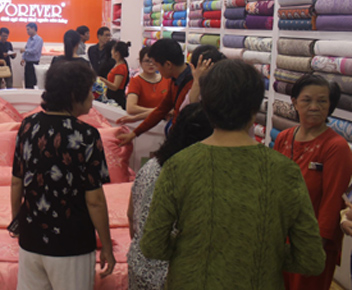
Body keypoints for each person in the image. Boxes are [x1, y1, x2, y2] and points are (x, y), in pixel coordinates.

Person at [141, 59, 326, 288]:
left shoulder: (178, 166)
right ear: (255, 108)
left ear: (206, 106)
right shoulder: (285, 171)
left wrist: (196, 250)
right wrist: (262, 253)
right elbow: (311, 259)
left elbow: (152, 245)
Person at [11, 60, 115, 289]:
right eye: (89, 91)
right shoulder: (87, 135)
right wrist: (107, 246)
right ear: (74, 95)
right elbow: (95, 200)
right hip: (71, 243)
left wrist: (18, 223)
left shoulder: (27, 126)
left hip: (31, 238)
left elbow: (16, 182)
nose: (93, 97)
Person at [274, 74, 352, 290]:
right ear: (294, 102)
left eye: (322, 101)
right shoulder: (284, 137)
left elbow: (332, 200)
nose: (315, 107)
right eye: (307, 100)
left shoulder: (336, 147)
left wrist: (315, 245)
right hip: (281, 235)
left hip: (312, 241)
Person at [127, 102, 213, 290]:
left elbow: (132, 216)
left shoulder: (151, 166)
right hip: (170, 276)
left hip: (138, 266)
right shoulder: (193, 176)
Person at [117, 39, 193, 145]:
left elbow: (179, 118)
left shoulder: (191, 85)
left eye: (157, 65)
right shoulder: (174, 80)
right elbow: (162, 109)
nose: (155, 68)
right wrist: (134, 132)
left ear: (168, 65)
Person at [124, 47, 169, 119]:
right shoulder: (136, 81)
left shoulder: (166, 79)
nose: (151, 64)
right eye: (147, 61)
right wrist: (158, 111)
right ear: (140, 62)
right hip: (143, 120)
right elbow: (131, 108)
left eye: (154, 61)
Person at [99, 41, 130, 108]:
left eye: (112, 50)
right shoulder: (117, 64)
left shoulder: (120, 68)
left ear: (117, 53)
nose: (111, 52)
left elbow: (115, 87)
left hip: (116, 98)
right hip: (112, 96)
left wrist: (103, 80)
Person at [20, 23, 43, 89]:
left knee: (32, 82)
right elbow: (26, 48)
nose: (27, 31)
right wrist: (23, 58)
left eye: (28, 29)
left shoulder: (39, 39)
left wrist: (25, 50)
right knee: (27, 82)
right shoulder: (29, 39)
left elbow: (35, 51)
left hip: (34, 64)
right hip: (28, 63)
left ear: (33, 29)